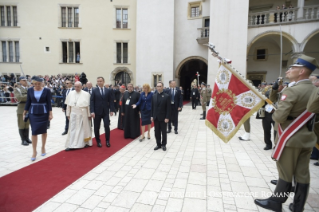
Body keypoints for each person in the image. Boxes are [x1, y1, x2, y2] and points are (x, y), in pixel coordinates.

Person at [254, 55, 319, 212]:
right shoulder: (314, 89)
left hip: (290, 138)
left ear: (302, 71)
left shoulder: (293, 91)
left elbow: (279, 117)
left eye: (293, 68)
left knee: (285, 171)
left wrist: (276, 111)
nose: (289, 70)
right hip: (306, 137)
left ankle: (276, 202)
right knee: (302, 173)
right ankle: (298, 206)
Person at [23, 76, 53, 161]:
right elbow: (28, 101)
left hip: (44, 112)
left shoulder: (47, 90)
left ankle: (43, 147)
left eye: (39, 84)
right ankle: (34, 151)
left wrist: (50, 113)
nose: (37, 85)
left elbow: (49, 103)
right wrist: (24, 112)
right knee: (34, 132)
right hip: (33, 113)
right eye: (35, 84)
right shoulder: (30, 90)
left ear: (42, 83)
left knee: (44, 131)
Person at [65, 82, 92, 151]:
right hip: (73, 114)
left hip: (83, 114)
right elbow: (68, 105)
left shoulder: (86, 94)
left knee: (83, 129)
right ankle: (71, 144)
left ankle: (83, 143)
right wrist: (68, 114)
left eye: (78, 87)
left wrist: (89, 115)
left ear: (81, 87)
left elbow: (88, 106)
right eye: (75, 86)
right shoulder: (71, 93)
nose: (76, 88)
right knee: (72, 129)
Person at [90, 77, 114, 147]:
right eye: (98, 81)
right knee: (97, 127)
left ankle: (107, 141)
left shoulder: (108, 90)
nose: (99, 82)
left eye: (100, 81)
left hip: (105, 112)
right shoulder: (94, 90)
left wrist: (111, 110)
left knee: (107, 126)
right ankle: (98, 141)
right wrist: (92, 111)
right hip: (97, 112)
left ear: (103, 81)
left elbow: (111, 101)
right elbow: (92, 101)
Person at [151, 82, 171, 151]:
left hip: (163, 118)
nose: (159, 88)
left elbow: (168, 108)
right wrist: (151, 116)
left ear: (162, 87)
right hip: (156, 117)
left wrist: (167, 117)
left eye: (160, 86)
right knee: (156, 132)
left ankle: (164, 144)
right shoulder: (154, 96)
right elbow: (152, 107)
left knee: (163, 132)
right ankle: (158, 144)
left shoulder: (166, 96)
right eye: (157, 86)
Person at [14, 76, 31, 146]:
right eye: (24, 80)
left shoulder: (29, 89)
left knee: (27, 124)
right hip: (21, 109)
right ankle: (23, 139)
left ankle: (27, 138)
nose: (25, 81)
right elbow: (19, 98)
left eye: (26, 80)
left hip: (29, 109)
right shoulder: (18, 90)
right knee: (22, 124)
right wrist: (29, 96)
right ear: (20, 81)